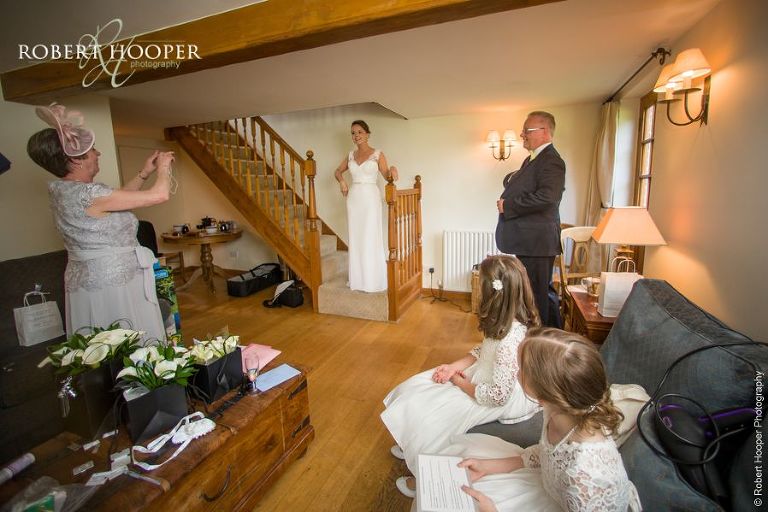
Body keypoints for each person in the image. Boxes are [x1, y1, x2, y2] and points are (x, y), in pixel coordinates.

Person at [381, 255, 542, 497]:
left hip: (499, 395)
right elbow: (483, 350)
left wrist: (459, 382)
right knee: (417, 387)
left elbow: (497, 396)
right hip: (484, 374)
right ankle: (412, 442)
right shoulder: (503, 321)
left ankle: (426, 478)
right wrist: (452, 367)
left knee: (437, 415)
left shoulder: (510, 342)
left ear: (492, 294)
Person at [445, 328, 641, 511]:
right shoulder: (557, 410)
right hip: (550, 486)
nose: (516, 372)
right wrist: (489, 466)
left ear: (542, 396)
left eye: (520, 369)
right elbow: (550, 455)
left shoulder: (584, 477)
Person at [27, 103, 173, 342]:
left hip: (94, 282)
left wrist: (144, 173)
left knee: (105, 342)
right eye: (93, 150)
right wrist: (164, 167)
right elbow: (160, 195)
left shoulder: (65, 191)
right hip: (114, 286)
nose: (98, 154)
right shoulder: (89, 194)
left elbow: (117, 201)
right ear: (76, 160)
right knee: (127, 339)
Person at [495, 111, 565, 328]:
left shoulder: (552, 160)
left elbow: (548, 197)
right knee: (542, 292)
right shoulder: (532, 159)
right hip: (530, 241)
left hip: (537, 242)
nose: (522, 134)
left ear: (544, 132)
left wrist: (508, 206)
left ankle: (538, 340)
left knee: (536, 296)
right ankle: (553, 336)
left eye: (527, 130)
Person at [334, 120, 398, 292]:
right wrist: (342, 182)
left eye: (360, 132)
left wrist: (392, 169)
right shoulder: (350, 155)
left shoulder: (377, 154)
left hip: (370, 198)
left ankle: (372, 279)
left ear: (367, 134)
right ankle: (358, 279)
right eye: (353, 133)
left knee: (370, 236)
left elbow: (387, 175)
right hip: (354, 198)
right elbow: (337, 171)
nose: (356, 136)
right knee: (356, 237)